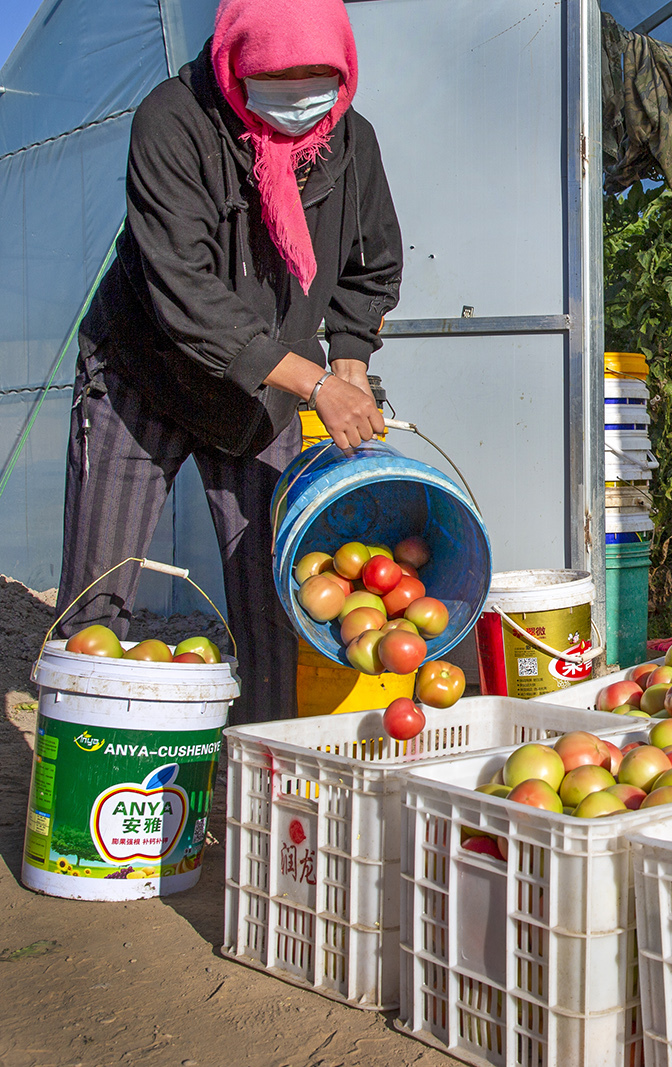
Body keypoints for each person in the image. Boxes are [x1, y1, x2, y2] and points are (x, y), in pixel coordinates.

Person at [57, 0, 403, 724]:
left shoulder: (347, 142)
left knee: (270, 603)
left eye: (320, 79)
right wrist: (312, 380)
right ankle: (81, 780)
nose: (301, 99)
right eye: (279, 79)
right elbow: (183, 291)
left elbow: (368, 269)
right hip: (142, 376)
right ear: (236, 61)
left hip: (260, 400)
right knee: (100, 596)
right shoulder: (173, 122)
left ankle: (264, 788)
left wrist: (348, 362)